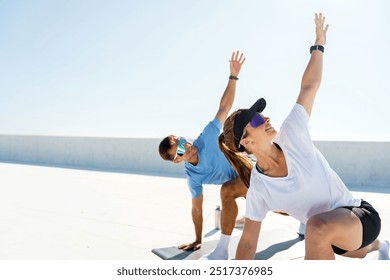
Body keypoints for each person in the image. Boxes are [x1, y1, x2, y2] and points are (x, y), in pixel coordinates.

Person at [218, 13, 389, 260]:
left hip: (359, 215)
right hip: (339, 241)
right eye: (255, 120)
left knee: (316, 228)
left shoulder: (292, 133)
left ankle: (373, 243)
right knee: (352, 246)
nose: (265, 119)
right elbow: (247, 243)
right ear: (246, 142)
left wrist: (318, 45)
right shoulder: (259, 187)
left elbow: (309, 87)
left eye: (262, 114)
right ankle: (381, 247)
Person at [158, 51, 248, 260]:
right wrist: (198, 239)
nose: (187, 146)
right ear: (177, 160)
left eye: (183, 141)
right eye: (180, 150)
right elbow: (197, 210)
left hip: (253, 170)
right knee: (229, 192)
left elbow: (224, 107)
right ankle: (223, 251)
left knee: (280, 204)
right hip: (240, 184)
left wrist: (233, 76)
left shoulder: (206, 136)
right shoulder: (193, 178)